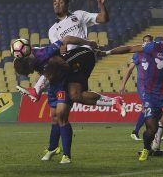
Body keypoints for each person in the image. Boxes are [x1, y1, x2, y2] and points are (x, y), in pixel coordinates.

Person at [14, 35, 124, 164]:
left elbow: (66, 39)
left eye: (29, 71)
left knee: (62, 116)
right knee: (54, 117)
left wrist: (88, 42)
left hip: (65, 82)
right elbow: (46, 73)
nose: (29, 74)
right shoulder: (30, 59)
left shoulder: (45, 53)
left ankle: (66, 155)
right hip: (54, 85)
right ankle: (53, 148)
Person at [98, 26, 163, 161]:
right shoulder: (153, 47)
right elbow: (129, 49)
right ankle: (146, 148)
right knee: (151, 130)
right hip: (151, 95)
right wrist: (106, 53)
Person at [18, 0, 110, 106]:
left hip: (82, 52)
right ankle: (114, 101)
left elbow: (103, 18)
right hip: (70, 61)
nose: (57, 5)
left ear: (67, 4)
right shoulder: (52, 30)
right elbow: (58, 48)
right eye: (55, 3)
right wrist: (60, 50)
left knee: (55, 61)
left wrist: (101, 4)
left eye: (61, 2)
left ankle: (36, 90)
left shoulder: (79, 15)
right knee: (75, 95)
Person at [119, 34, 163, 141]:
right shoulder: (138, 54)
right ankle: (135, 132)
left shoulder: (156, 54)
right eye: (144, 41)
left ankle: (154, 132)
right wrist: (122, 84)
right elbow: (129, 70)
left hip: (153, 85)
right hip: (143, 85)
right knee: (146, 106)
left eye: (148, 41)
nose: (146, 43)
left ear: (152, 42)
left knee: (155, 108)